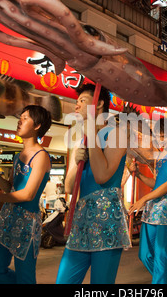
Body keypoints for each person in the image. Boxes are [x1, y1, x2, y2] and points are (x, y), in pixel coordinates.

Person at [56, 84, 131, 284]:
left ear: (98, 104)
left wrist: (92, 141)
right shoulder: (80, 140)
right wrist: (77, 161)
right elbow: (69, 187)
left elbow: (102, 176)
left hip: (108, 221)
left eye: (82, 101)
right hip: (81, 222)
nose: (76, 106)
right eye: (76, 101)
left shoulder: (116, 134)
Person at [0, 105, 52, 284]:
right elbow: (10, 188)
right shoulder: (17, 156)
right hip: (8, 220)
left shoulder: (41, 156)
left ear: (37, 125)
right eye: (20, 117)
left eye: (26, 118)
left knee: (25, 277)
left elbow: (28, 194)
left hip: (27, 224)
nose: (20, 121)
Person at [128, 117, 167, 284]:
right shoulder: (160, 157)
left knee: (161, 253)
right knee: (145, 254)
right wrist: (138, 174)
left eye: (165, 135)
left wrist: (144, 199)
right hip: (153, 206)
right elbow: (157, 183)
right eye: (158, 135)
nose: (161, 139)